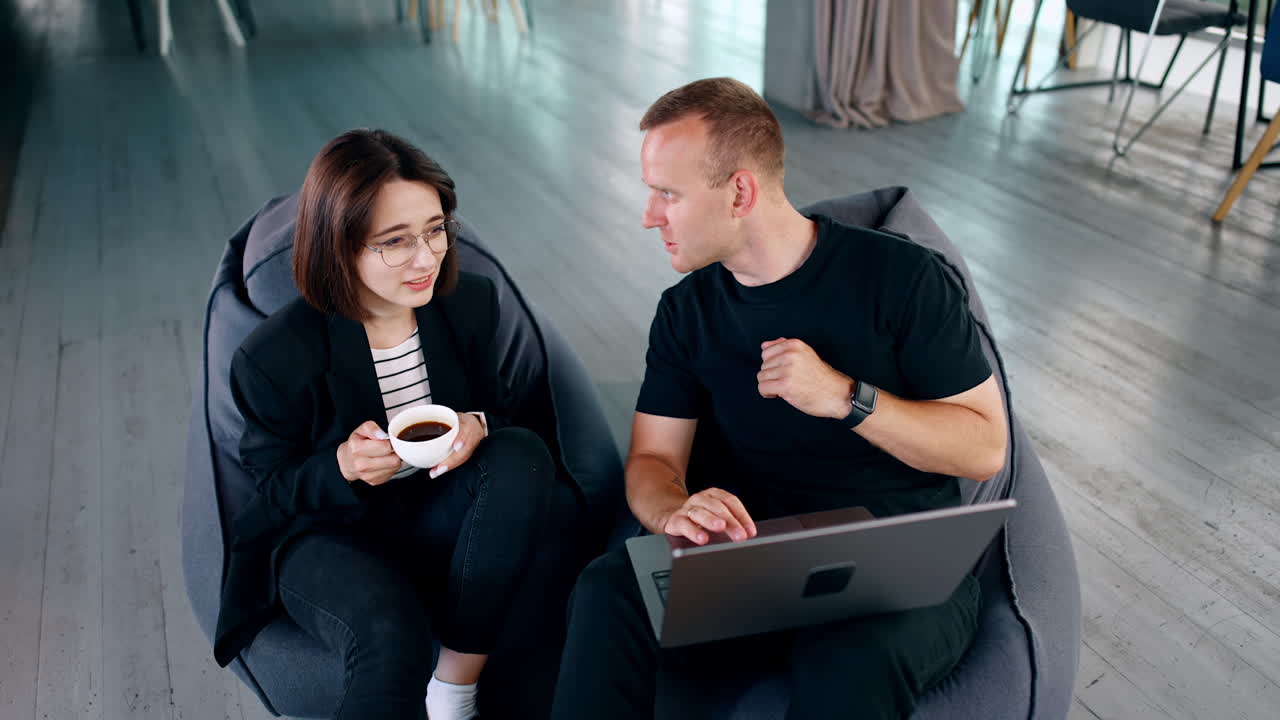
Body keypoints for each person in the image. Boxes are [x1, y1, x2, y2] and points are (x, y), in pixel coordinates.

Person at [550, 78, 1009, 720]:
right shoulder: (687, 311)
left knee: (852, 660)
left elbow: (985, 447)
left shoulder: (902, 280)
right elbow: (652, 461)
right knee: (607, 590)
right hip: (753, 563)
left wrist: (847, 397)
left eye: (667, 194)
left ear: (740, 191)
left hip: (891, 565)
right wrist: (675, 511)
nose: (649, 215)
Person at [212, 129, 576, 720]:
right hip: (327, 533)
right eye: (395, 241)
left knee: (521, 450)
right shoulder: (275, 356)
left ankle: (454, 691)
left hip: (435, 510)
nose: (427, 257)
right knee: (391, 632)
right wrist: (342, 465)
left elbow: (506, 412)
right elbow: (268, 494)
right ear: (340, 247)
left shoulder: (470, 305)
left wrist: (478, 425)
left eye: (435, 230)